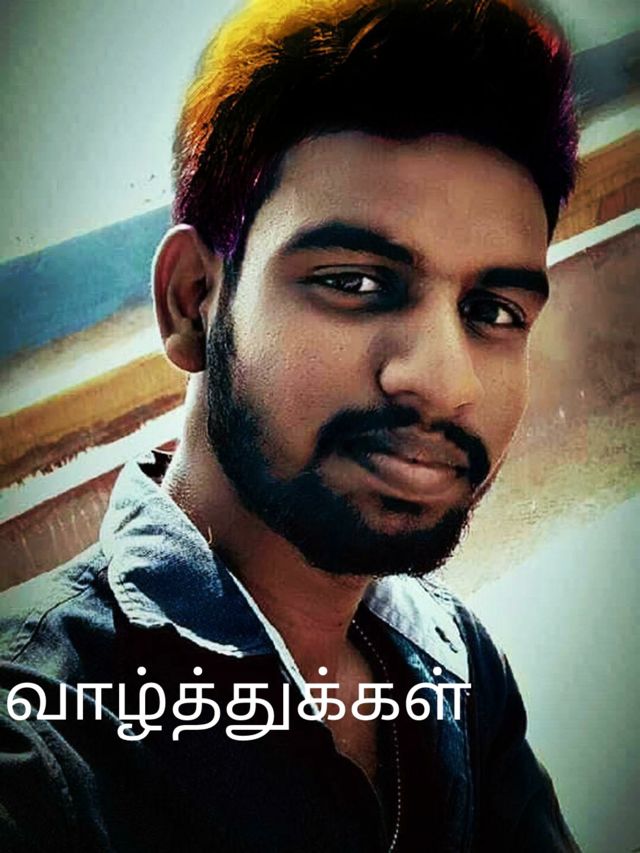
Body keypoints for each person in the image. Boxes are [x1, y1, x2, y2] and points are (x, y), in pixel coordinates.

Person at [0, 0, 581, 850]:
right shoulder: (42, 743)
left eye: (492, 310)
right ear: (193, 301)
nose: (445, 381)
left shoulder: (457, 666)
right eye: (354, 282)